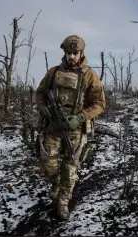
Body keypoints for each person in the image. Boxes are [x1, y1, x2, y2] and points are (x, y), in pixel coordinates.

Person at [35, 35, 106, 220]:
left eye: (75, 53)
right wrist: (42, 107)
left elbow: (99, 104)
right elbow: (41, 92)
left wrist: (80, 117)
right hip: (53, 126)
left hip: (75, 130)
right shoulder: (53, 72)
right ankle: (56, 183)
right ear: (64, 53)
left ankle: (63, 202)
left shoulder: (90, 75)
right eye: (69, 53)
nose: (72, 56)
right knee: (47, 162)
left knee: (70, 167)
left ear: (81, 53)